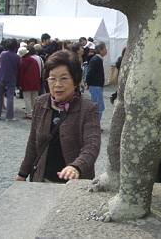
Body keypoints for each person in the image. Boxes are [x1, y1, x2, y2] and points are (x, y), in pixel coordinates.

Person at [16, 50, 101, 183]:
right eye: (52, 78)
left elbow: (92, 145)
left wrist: (76, 167)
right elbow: (33, 142)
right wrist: (22, 173)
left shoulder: (88, 108)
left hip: (74, 182)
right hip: (42, 180)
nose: (57, 84)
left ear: (76, 81)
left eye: (64, 78)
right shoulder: (41, 103)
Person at [0, 39, 20, 121]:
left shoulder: (3, 53)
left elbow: (0, 64)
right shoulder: (17, 57)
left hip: (0, 77)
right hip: (11, 78)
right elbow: (18, 68)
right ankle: (9, 117)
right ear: (16, 47)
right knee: (10, 98)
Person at [86, 42, 107, 122]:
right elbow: (89, 73)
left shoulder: (97, 59)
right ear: (101, 50)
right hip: (95, 86)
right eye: (105, 49)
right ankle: (95, 124)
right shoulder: (96, 59)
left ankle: (96, 124)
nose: (106, 50)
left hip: (97, 86)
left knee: (98, 106)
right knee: (98, 106)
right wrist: (88, 83)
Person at [18, 47, 41, 119]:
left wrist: (20, 84)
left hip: (26, 83)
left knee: (27, 98)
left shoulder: (22, 61)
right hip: (35, 82)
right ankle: (35, 112)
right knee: (35, 98)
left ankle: (29, 114)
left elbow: (21, 74)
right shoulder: (34, 60)